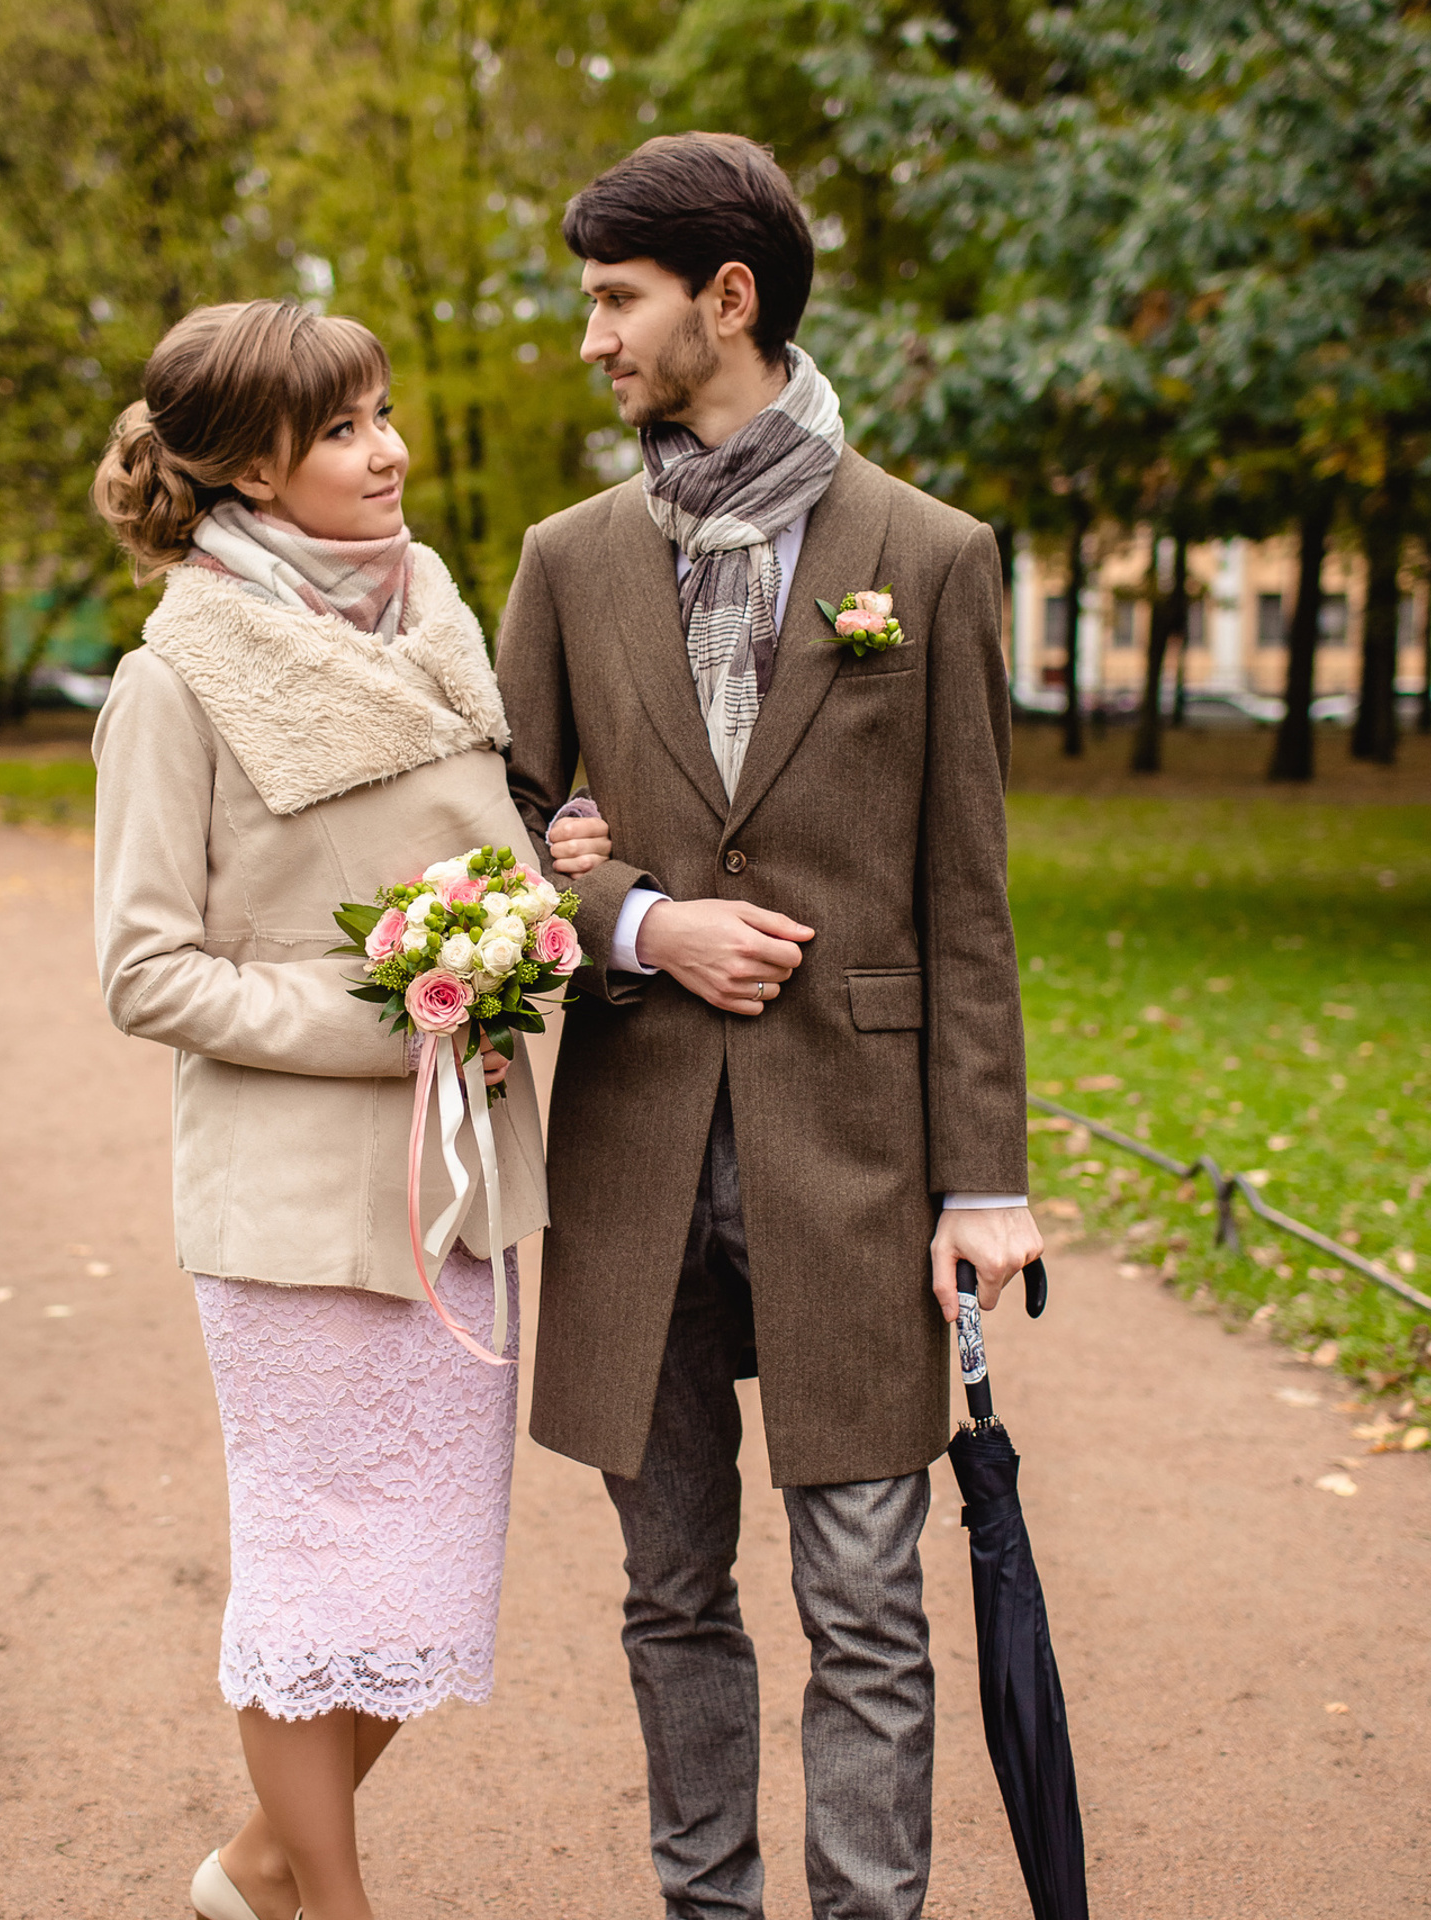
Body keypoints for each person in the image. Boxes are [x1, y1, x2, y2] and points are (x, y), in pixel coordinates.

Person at [496, 133, 1045, 1919]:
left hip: (860, 1165)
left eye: (614, 300)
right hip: (637, 1152)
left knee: (869, 1605)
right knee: (669, 1593)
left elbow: (969, 897)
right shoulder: (566, 560)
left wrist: (985, 1184)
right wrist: (637, 917)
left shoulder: (933, 555)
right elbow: (491, 844)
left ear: (727, 298)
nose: (593, 339)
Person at [89, 300, 592, 1920]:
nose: (391, 453)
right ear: (249, 466)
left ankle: (256, 1869)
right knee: (317, 1578)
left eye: (382, 415)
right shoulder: (179, 680)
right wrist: (398, 1015)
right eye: (346, 430)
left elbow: (479, 870)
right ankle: (332, 1901)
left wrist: (532, 911)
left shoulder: (432, 625)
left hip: (455, 1189)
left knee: (427, 1573)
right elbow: (147, 972)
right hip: (298, 1204)